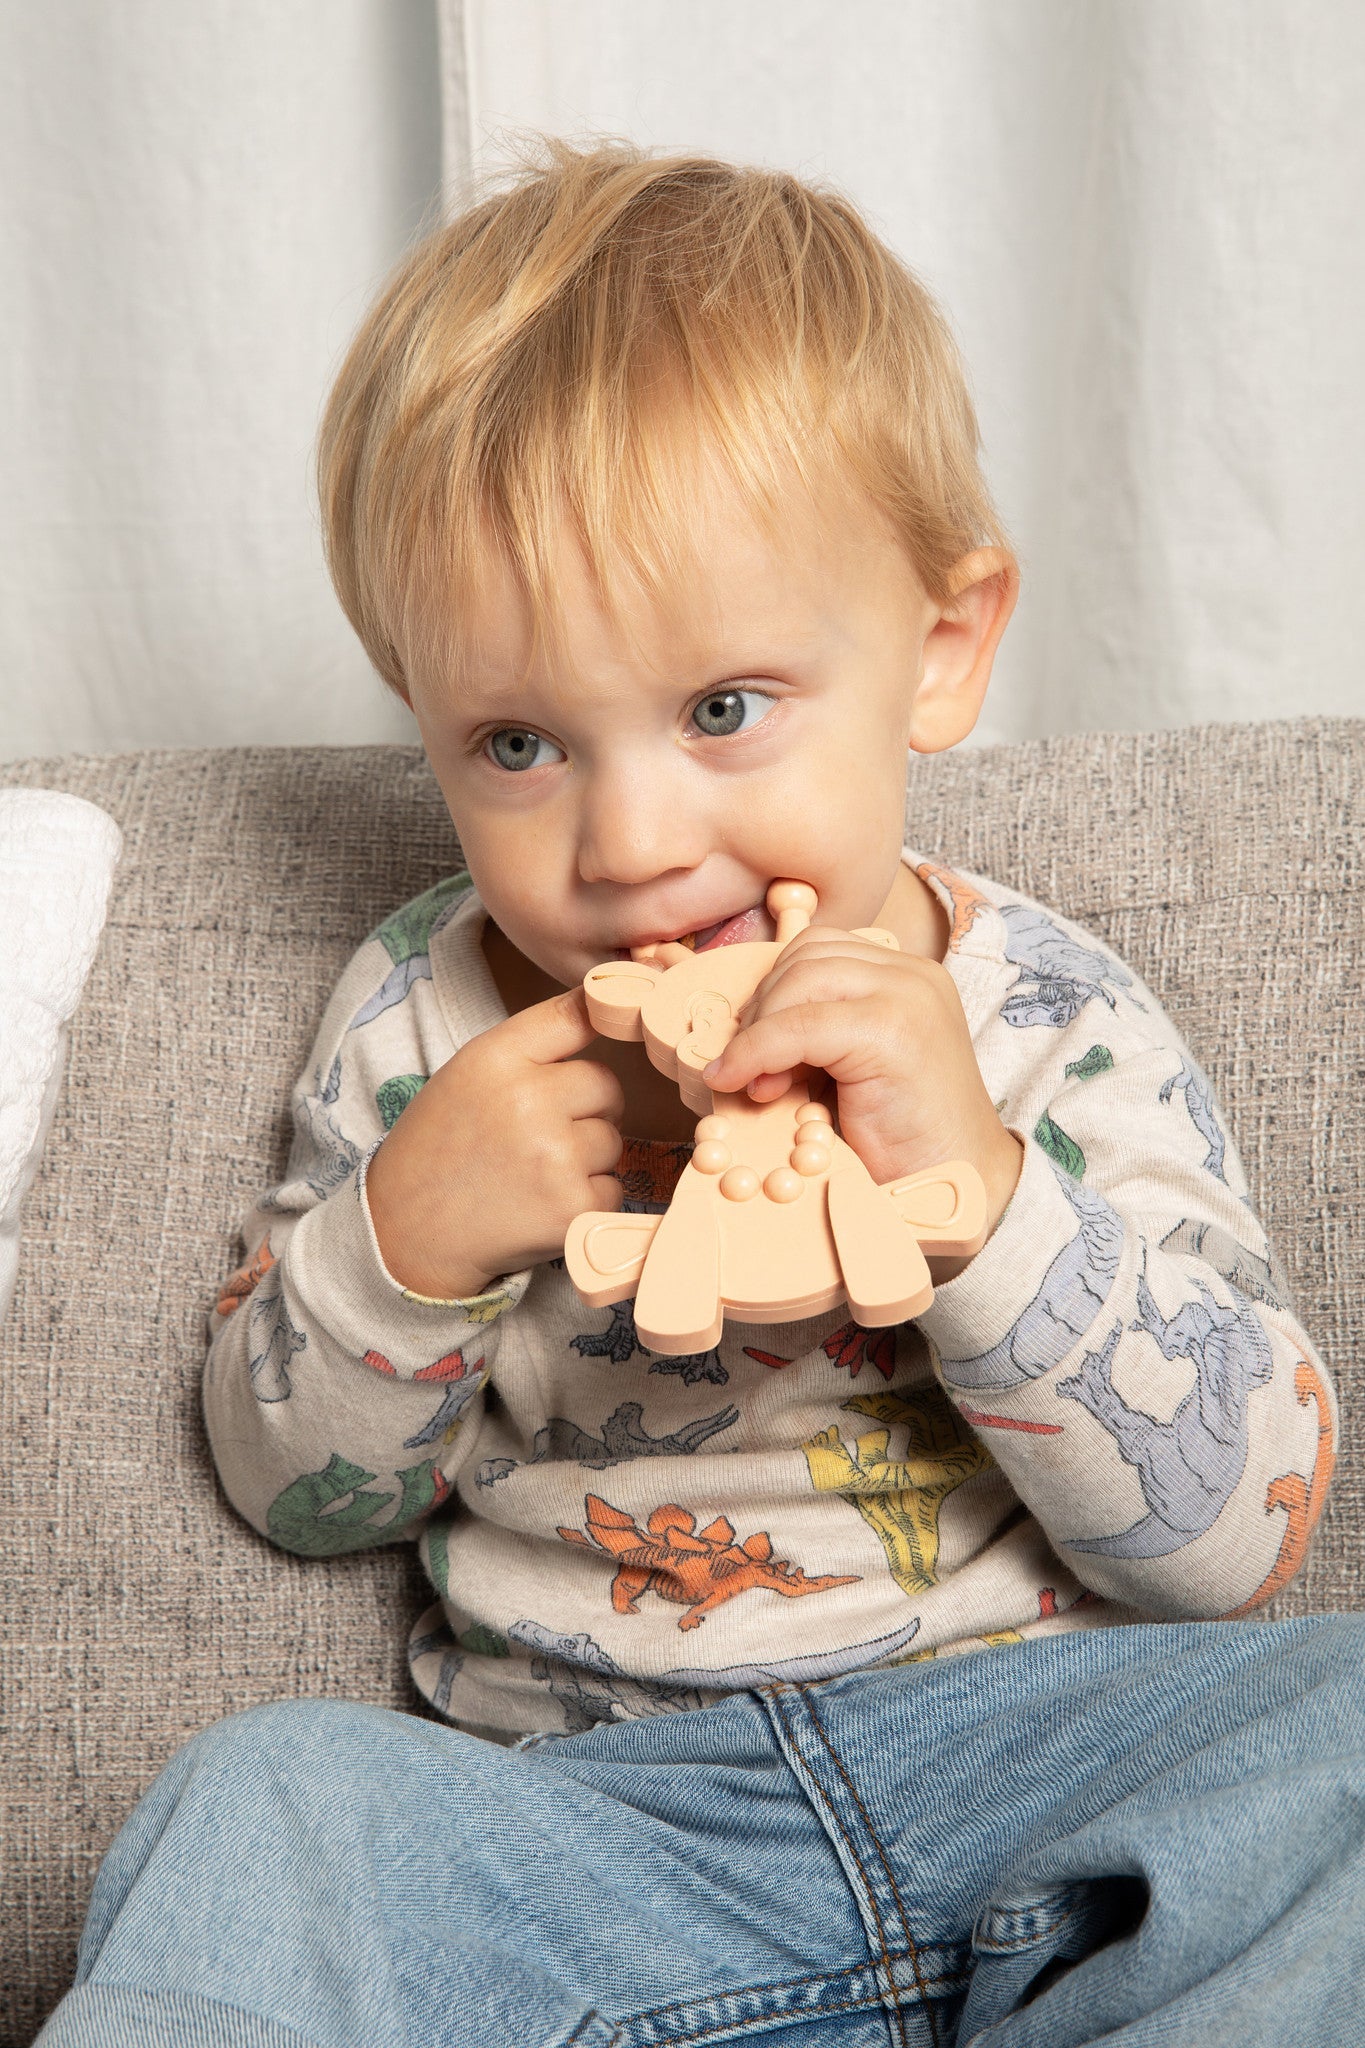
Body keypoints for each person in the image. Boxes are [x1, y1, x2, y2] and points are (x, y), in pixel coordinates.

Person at [38, 139, 1364, 2048]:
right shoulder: (426, 1017)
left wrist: (986, 1203)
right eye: (516, 742)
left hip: (1035, 1774)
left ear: (936, 650)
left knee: (1335, 1736)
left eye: (723, 708)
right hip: (589, 1841)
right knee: (262, 1801)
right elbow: (296, 1494)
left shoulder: (1043, 1009)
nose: (635, 843)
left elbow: (1238, 1534)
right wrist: (409, 1232)